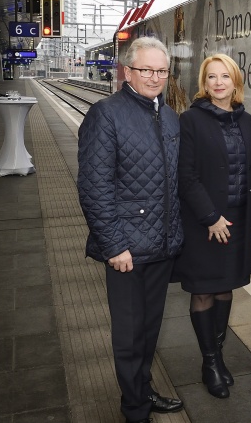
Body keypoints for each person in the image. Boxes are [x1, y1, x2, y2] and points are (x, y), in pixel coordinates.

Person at [77, 37, 184, 423]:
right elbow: (94, 186)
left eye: (161, 71)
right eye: (146, 70)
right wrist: (114, 245)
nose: (154, 77)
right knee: (129, 335)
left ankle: (142, 390)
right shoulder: (106, 115)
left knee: (149, 330)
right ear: (127, 71)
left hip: (161, 246)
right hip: (126, 250)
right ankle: (135, 408)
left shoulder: (169, 115)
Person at [172, 54, 251, 399]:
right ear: (204, 84)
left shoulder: (248, 122)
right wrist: (211, 217)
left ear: (235, 82)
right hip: (205, 223)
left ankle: (218, 356)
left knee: (226, 289)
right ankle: (209, 362)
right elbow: (186, 176)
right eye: (212, 77)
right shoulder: (191, 120)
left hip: (237, 221)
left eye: (225, 76)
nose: (219, 83)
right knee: (204, 290)